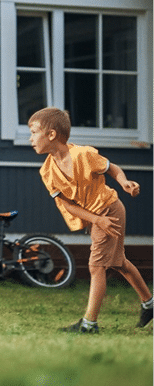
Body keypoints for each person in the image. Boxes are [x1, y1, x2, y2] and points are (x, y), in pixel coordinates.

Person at [28, 107, 152, 333]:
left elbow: (112, 168)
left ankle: (89, 324)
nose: (30, 138)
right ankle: (150, 303)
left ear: (51, 134)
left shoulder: (83, 154)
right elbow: (66, 204)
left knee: (97, 267)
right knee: (118, 262)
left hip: (110, 210)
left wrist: (124, 182)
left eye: (34, 132)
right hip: (97, 217)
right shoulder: (47, 171)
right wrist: (96, 220)